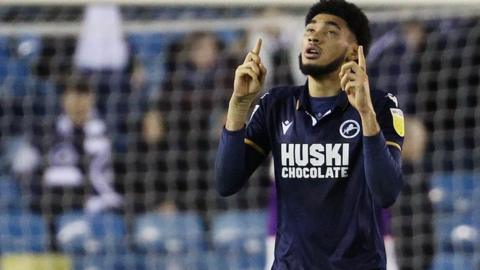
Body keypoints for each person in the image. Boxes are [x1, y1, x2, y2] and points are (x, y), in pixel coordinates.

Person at [215, 0, 405, 269]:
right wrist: (238, 105)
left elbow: (387, 192)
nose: (314, 35)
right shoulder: (275, 104)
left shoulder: (381, 104)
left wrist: (365, 114)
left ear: (353, 52)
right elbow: (226, 182)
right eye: (309, 29)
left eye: (330, 31)